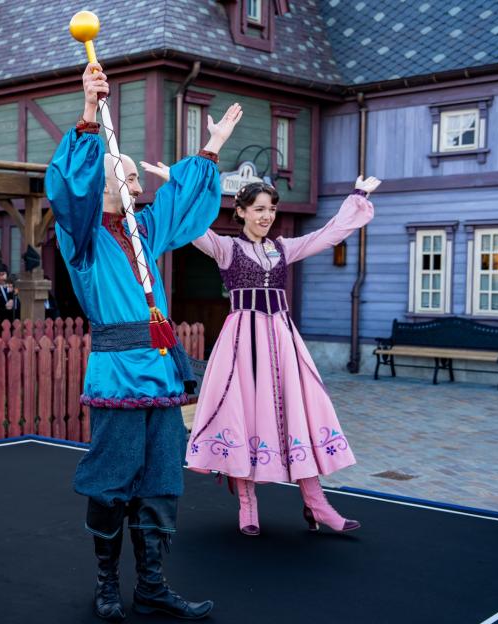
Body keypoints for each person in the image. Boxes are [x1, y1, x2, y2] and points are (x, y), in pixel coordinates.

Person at [46, 62, 242, 621]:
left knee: (160, 481)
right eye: (128, 179)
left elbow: (179, 206)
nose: (139, 187)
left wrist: (210, 150)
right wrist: (88, 114)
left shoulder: (143, 231)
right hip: (117, 372)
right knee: (112, 481)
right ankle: (107, 585)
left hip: (158, 372)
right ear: (102, 187)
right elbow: (69, 189)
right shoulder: (80, 239)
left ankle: (152, 586)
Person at [144, 159, 378, 536]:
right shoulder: (225, 248)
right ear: (240, 212)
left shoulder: (285, 248)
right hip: (242, 346)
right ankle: (248, 503)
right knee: (245, 416)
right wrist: (180, 181)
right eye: (259, 209)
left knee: (297, 415)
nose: (267, 215)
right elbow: (188, 223)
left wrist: (357, 196)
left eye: (271, 208)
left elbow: (331, 234)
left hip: (282, 344)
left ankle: (316, 503)